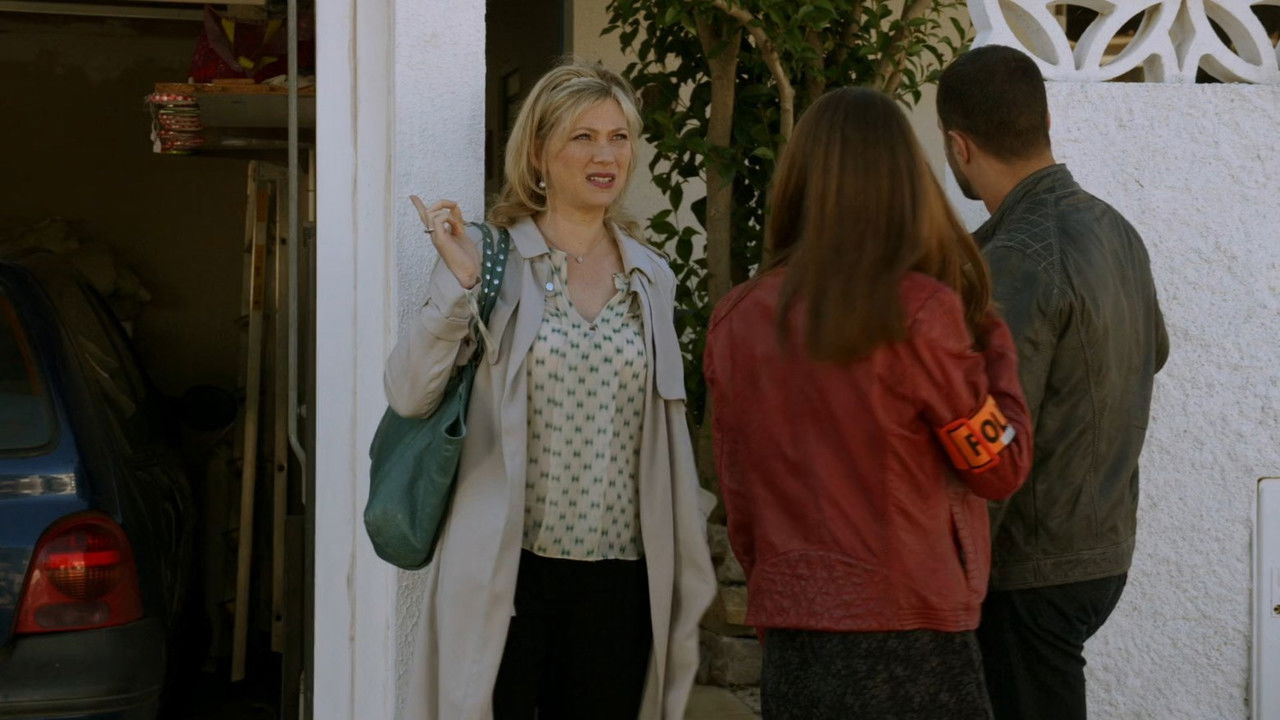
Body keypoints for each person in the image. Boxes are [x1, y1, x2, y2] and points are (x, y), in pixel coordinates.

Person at [385, 60, 716, 720]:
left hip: (621, 576)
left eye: (619, 137)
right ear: (538, 152)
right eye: (582, 137)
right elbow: (408, 394)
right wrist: (458, 290)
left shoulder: (651, 276)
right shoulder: (492, 259)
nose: (605, 156)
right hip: (509, 573)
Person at [704, 87, 1032, 720]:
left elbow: (740, 497)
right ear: (903, 182)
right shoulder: (924, 311)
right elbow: (998, 466)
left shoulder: (736, 318)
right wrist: (992, 341)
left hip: (796, 628)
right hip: (912, 628)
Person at [936, 45, 1170, 720]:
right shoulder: (1116, 229)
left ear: (958, 145)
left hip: (1032, 566)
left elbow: (993, 432)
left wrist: (951, 574)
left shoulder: (1013, 257)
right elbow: (1154, 351)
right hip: (1102, 548)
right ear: (1043, 121)